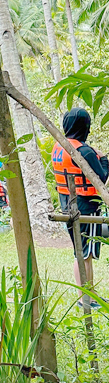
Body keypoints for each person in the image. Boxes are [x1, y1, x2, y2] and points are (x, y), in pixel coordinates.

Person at [51, 108, 108, 311]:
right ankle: (85, 297)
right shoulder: (83, 151)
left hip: (68, 204)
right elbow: (101, 176)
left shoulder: (59, 147)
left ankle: (89, 295)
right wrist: (104, 159)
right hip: (87, 207)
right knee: (85, 253)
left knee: (83, 252)